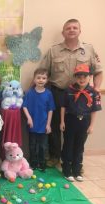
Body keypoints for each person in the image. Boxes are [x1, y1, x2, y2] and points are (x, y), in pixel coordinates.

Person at [40, 18, 103, 167]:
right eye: (68, 28)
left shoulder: (89, 50)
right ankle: (56, 157)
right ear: (63, 32)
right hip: (58, 92)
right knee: (55, 126)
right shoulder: (53, 50)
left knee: (78, 127)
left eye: (75, 27)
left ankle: (74, 161)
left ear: (80, 31)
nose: (72, 30)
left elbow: (99, 71)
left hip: (81, 96)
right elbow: (43, 72)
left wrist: (96, 87)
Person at [60, 64, 101, 182]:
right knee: (68, 145)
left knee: (79, 146)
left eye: (84, 76)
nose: (81, 79)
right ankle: (67, 170)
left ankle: (77, 170)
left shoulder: (94, 92)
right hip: (70, 120)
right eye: (78, 77)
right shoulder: (69, 90)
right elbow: (63, 106)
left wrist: (92, 126)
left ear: (89, 77)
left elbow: (94, 110)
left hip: (85, 122)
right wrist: (62, 121)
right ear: (75, 77)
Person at [22, 68, 55, 171]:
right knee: (32, 145)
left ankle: (42, 163)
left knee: (43, 146)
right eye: (38, 78)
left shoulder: (48, 94)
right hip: (32, 125)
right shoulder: (30, 93)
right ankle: (33, 163)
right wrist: (29, 118)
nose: (41, 80)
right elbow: (24, 106)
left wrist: (48, 124)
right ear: (34, 79)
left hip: (43, 125)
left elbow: (50, 110)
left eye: (44, 78)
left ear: (47, 80)